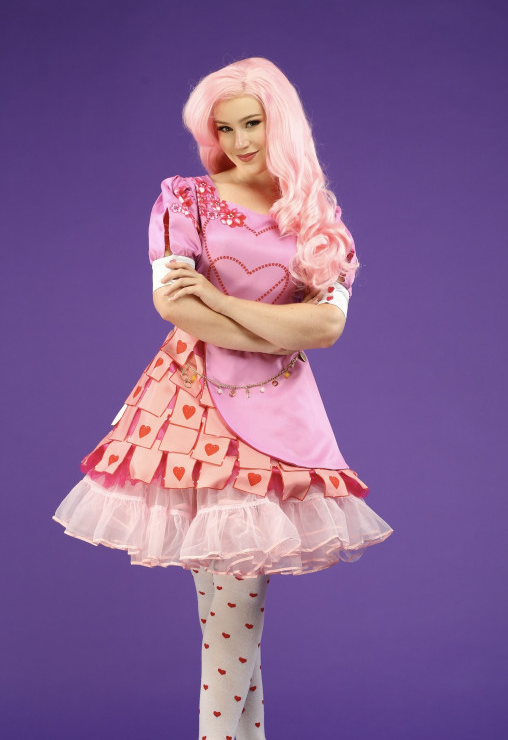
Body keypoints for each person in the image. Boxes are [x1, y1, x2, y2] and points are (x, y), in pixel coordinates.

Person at [52, 56, 394, 740]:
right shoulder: (185, 199)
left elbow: (326, 327)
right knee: (230, 623)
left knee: (233, 621)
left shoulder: (317, 219)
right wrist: (265, 326)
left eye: (252, 123)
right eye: (225, 128)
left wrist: (219, 300)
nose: (238, 142)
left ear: (281, 122)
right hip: (191, 415)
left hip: (277, 423)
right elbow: (177, 308)